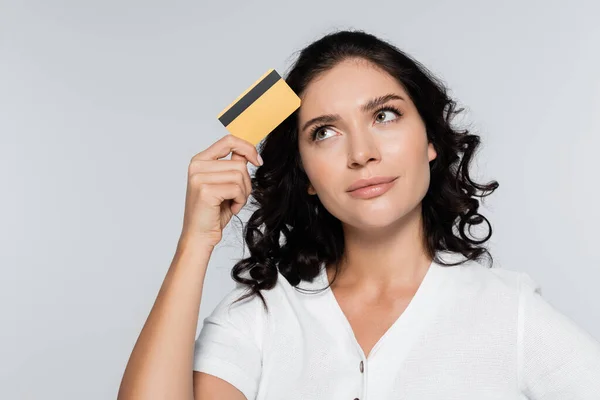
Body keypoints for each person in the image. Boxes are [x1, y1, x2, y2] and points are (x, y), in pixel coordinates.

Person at [117, 29, 600, 400]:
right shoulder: (258, 318)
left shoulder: (510, 313)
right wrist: (194, 244)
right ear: (305, 171)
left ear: (430, 140)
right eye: (325, 132)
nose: (362, 153)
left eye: (384, 115)